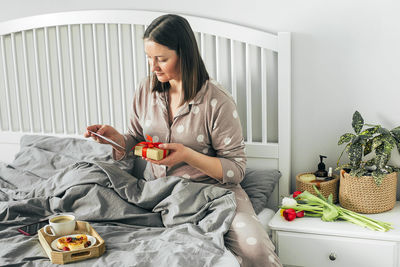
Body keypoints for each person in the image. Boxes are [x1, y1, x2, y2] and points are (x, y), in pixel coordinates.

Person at [85, 14, 282, 267]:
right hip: (157, 193)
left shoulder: (217, 100)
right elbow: (135, 142)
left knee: (256, 250)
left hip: (214, 194)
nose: (153, 67)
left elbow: (236, 169)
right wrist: (116, 140)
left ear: (184, 54)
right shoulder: (146, 90)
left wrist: (187, 155)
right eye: (149, 58)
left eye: (161, 59)